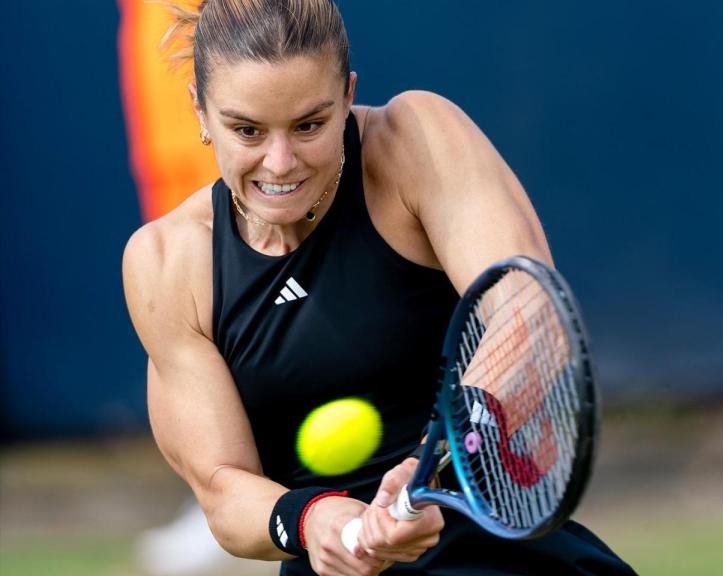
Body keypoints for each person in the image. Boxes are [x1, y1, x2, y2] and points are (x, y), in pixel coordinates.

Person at [123, 1, 637, 574]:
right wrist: (316, 520)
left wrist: (436, 454)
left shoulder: (414, 140)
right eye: (246, 130)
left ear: (348, 93)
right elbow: (222, 488)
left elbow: (528, 308)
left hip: (510, 555)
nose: (280, 162)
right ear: (199, 108)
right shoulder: (166, 262)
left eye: (310, 125)